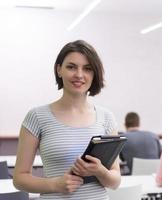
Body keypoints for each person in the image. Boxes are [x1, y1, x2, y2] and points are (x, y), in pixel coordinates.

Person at [13, 40, 121, 200]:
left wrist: (100, 171)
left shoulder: (106, 118)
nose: (79, 74)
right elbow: (19, 178)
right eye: (71, 67)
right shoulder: (36, 116)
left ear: (94, 74)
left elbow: (115, 181)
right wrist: (55, 185)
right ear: (59, 70)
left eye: (87, 68)